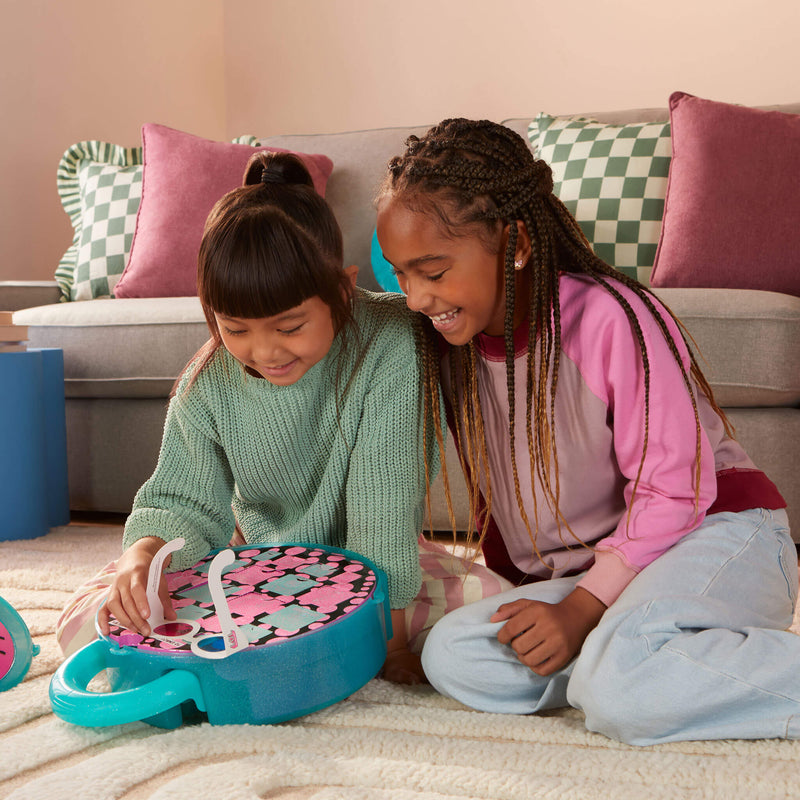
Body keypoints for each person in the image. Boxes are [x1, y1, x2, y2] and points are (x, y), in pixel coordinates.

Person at [375, 118, 794, 743]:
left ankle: (625, 667)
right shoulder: (450, 345)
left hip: (716, 535)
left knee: (619, 691)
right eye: (400, 274)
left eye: (432, 272)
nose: (414, 298)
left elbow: (675, 491)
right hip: (599, 574)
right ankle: (640, 657)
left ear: (516, 243)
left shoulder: (609, 316)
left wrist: (581, 608)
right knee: (453, 653)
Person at [57, 151, 442, 683]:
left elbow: (385, 504)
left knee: (476, 613)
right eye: (235, 329)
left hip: (377, 571)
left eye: (289, 327)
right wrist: (143, 559)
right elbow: (181, 502)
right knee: (89, 621)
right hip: (262, 566)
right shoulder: (207, 382)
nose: (265, 352)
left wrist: (387, 647)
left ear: (342, 290)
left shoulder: (389, 341)